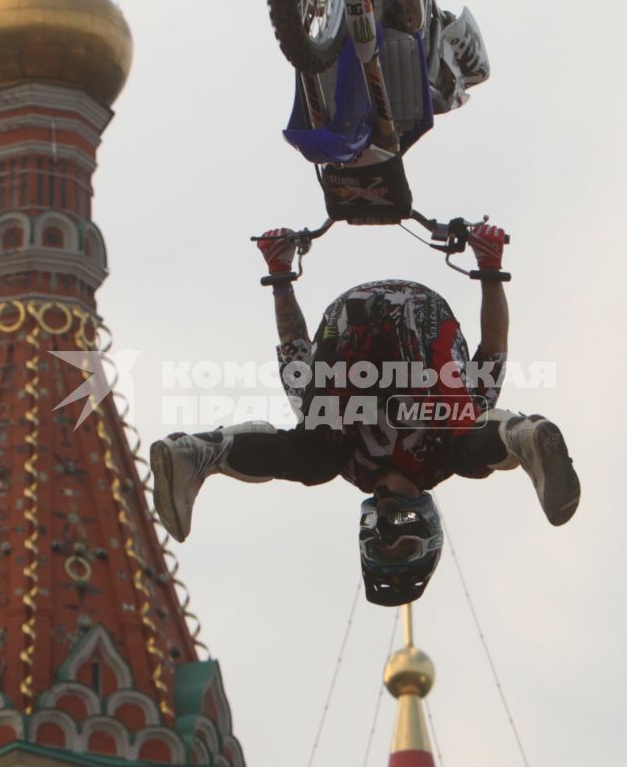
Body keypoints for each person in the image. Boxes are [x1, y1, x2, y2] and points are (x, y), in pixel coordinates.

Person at [150, 223, 580, 604]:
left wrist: (281, 277)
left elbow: (296, 356)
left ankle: (200, 453)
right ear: (426, 533)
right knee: (466, 430)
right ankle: (521, 439)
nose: (388, 534)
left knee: (314, 439)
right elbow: (492, 352)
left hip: (350, 326)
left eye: (379, 547)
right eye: (401, 547)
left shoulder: (340, 458)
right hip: (417, 322)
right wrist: (489, 267)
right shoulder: (446, 456)